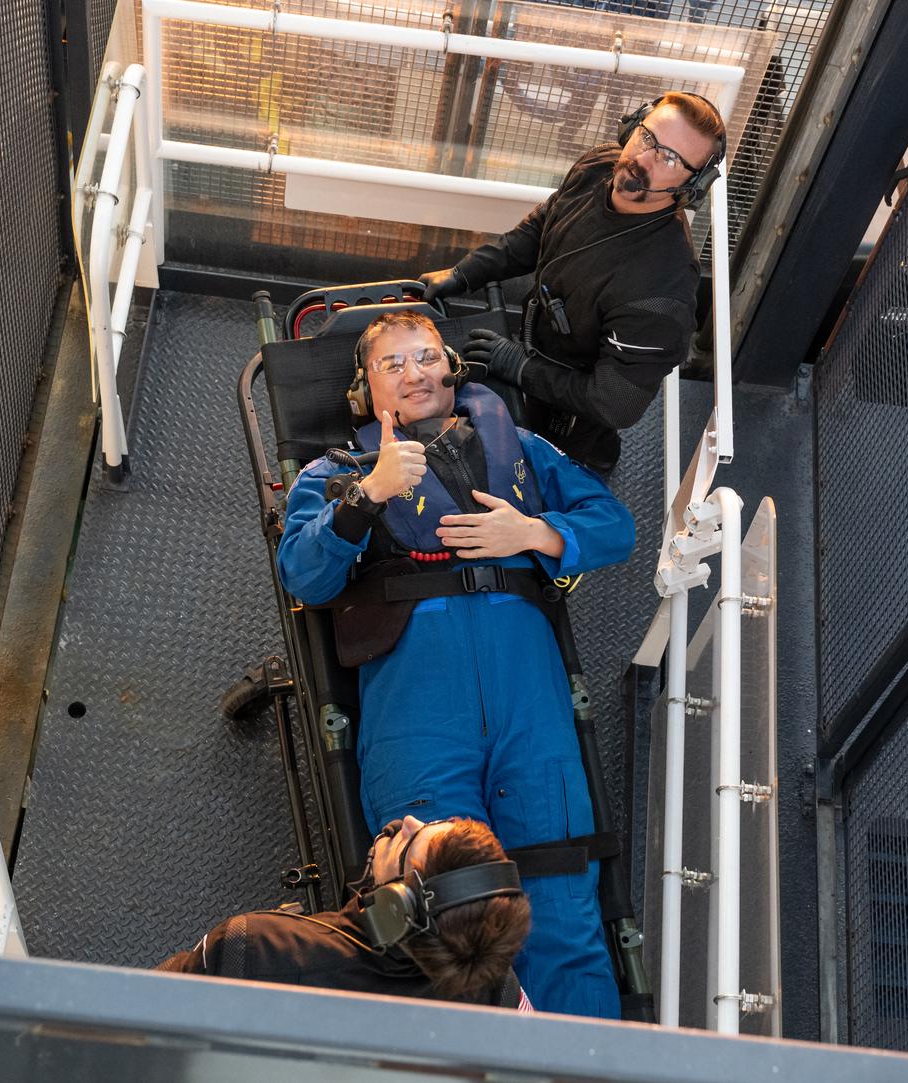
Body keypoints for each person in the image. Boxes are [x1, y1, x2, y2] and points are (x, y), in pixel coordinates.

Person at [276, 310, 635, 1018]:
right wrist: (369, 495)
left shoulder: (524, 450)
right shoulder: (336, 471)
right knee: (428, 904)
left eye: (426, 357)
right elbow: (304, 574)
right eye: (393, 364)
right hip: (418, 698)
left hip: (526, 693)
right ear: (365, 388)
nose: (414, 373)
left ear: (450, 369)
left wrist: (531, 530)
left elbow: (613, 525)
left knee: (562, 896)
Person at [419, 92, 726, 473]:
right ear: (631, 126)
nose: (643, 159)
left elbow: (614, 402)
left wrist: (518, 367)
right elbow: (542, 226)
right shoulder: (599, 166)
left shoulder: (661, 291)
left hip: (575, 414)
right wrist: (467, 273)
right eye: (648, 137)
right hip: (534, 349)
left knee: (553, 469)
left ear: (690, 186)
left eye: (669, 158)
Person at [156, 815, 534, 1010]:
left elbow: (146, 1008)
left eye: (410, 845)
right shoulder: (502, 996)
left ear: (394, 907)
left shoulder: (251, 945)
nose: (408, 823)